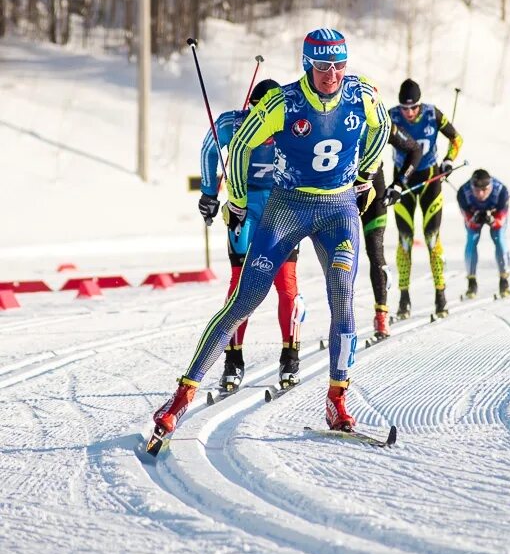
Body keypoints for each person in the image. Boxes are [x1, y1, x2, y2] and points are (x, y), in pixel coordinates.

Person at [152, 28, 389, 439]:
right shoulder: (284, 101)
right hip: (287, 206)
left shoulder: (361, 93)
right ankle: (181, 397)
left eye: (338, 65)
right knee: (247, 297)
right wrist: (238, 201)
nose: (331, 74)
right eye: (321, 66)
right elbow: (240, 145)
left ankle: (337, 400)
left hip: (338, 211)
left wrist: (365, 175)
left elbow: (381, 127)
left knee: (342, 294)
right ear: (307, 64)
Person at [197, 78, 301, 392]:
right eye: (257, 110)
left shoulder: (292, 123)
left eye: (269, 111)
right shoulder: (235, 123)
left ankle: (290, 354)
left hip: (283, 209)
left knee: (285, 284)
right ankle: (233, 358)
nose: (262, 118)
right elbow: (208, 147)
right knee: (241, 281)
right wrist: (208, 193)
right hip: (245, 210)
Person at [385, 78, 463, 320]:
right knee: (405, 240)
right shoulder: (391, 116)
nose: (409, 113)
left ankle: (441, 296)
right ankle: (404, 299)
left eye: (413, 107)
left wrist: (449, 160)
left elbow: (456, 139)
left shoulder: (432, 114)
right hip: (403, 183)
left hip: (430, 180)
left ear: (420, 104)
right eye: (405, 108)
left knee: (431, 239)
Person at [359, 123, 422, 341]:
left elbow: (415, 149)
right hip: (342, 196)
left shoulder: (380, 121)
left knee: (375, 253)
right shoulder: (333, 112)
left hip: (375, 192)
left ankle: (382, 317)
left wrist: (399, 184)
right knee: (341, 259)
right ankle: (341, 322)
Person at [457, 169, 510, 299]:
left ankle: (504, 279)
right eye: (476, 190)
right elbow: (468, 220)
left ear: (490, 186)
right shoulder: (463, 193)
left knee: (499, 238)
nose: (480, 194)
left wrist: (492, 220)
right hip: (474, 214)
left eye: (485, 190)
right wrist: (474, 219)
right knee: (472, 239)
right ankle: (471, 281)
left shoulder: (501, 191)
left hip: (495, 214)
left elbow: (501, 219)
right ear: (471, 187)